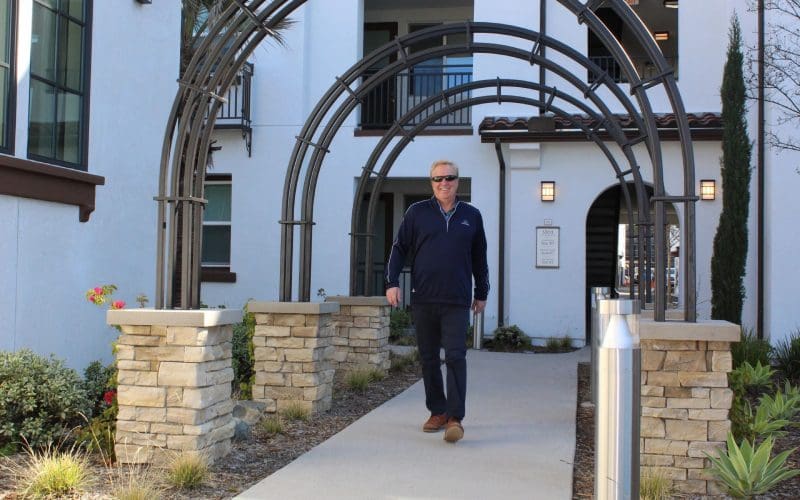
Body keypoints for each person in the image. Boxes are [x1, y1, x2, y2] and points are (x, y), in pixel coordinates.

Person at [385, 159, 489, 443]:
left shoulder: (472, 215)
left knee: (456, 357)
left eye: (450, 178)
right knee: (429, 358)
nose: (444, 183)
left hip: (456, 300)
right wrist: (392, 282)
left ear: (458, 181)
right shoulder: (417, 213)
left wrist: (482, 292)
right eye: (438, 179)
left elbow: (480, 258)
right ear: (431, 183)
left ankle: (455, 418)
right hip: (424, 299)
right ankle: (438, 411)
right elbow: (399, 248)